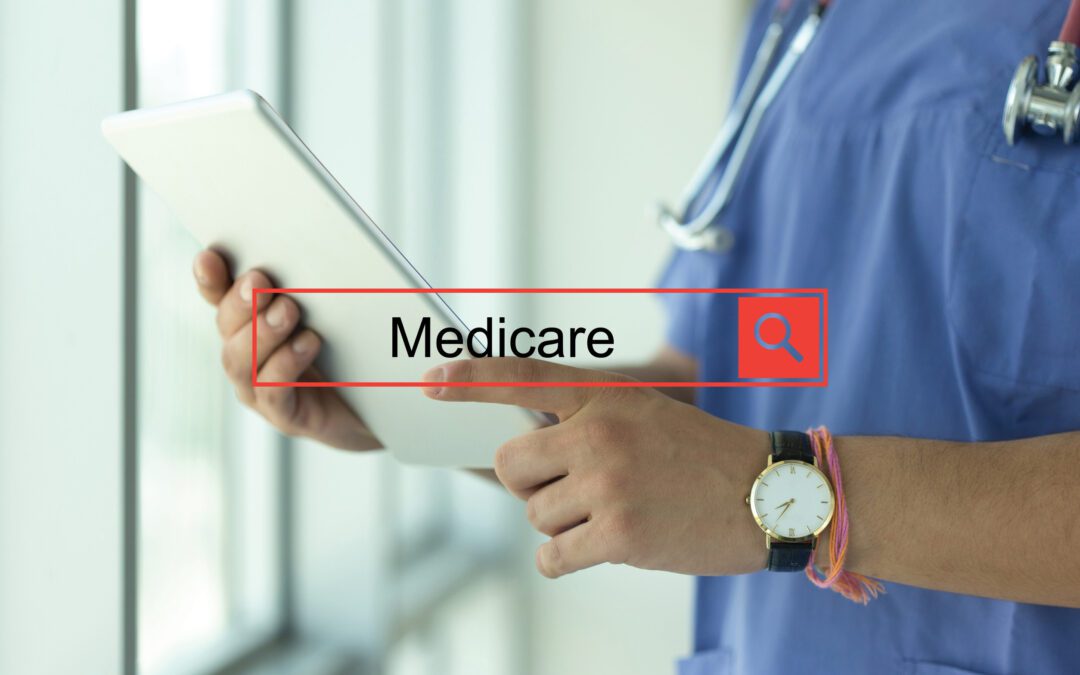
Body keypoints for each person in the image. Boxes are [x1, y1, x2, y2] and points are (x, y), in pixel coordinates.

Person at [192, 0, 1080, 672]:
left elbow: (745, 465)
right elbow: (733, 398)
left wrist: (783, 494)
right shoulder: (798, 23)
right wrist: (411, 402)